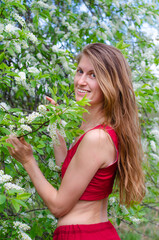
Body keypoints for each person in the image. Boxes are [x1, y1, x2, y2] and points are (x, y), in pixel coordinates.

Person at [6, 43, 145, 240]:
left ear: (110, 83)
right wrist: (56, 127)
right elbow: (70, 174)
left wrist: (27, 160)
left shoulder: (97, 138)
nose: (80, 81)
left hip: (83, 234)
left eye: (93, 75)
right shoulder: (95, 130)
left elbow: (59, 206)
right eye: (80, 71)